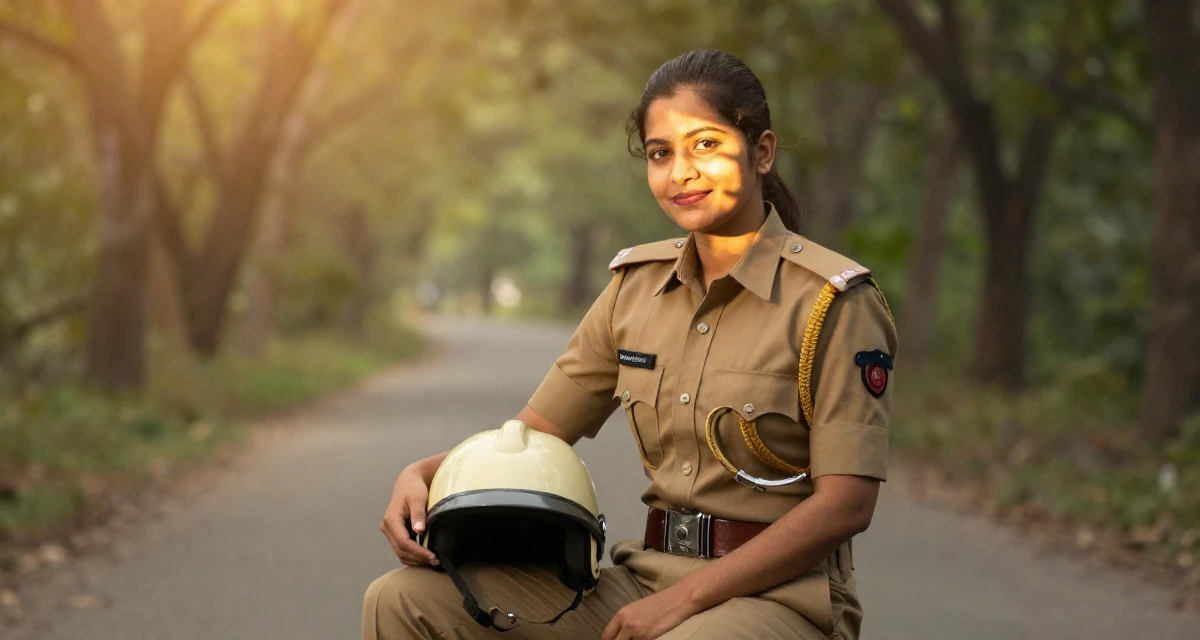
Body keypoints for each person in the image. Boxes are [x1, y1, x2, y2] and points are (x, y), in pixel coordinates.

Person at [363, 48, 897, 640]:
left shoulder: (832, 301)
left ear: (762, 151)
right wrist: (422, 474)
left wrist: (686, 601)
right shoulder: (634, 290)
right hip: (643, 577)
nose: (681, 172)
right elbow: (531, 438)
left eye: (706, 145)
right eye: (660, 153)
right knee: (405, 600)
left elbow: (847, 505)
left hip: (781, 597)